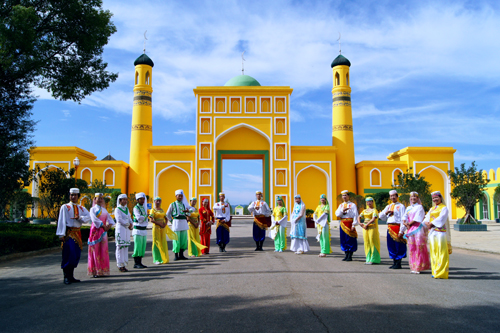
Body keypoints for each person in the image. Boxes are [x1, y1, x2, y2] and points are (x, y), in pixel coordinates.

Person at [56, 188, 91, 284]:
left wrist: (80, 217)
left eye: (75, 195)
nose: (73, 197)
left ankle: (71, 276)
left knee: (76, 254)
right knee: (68, 254)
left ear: (78, 196)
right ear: (69, 195)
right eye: (72, 195)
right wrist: (61, 234)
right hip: (69, 233)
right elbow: (61, 221)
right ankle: (66, 276)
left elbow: (88, 217)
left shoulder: (81, 208)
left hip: (77, 233)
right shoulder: (65, 207)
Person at [424, 191, 452, 279]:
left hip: (440, 233)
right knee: (433, 252)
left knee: (441, 252)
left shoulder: (444, 208)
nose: (435, 199)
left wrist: (431, 224)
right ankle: (435, 271)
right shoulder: (432, 209)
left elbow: (442, 218)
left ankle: (442, 272)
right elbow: (426, 217)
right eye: (433, 198)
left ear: (440, 198)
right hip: (432, 232)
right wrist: (427, 223)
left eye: (436, 197)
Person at [403, 192, 431, 274]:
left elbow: (417, 218)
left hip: (418, 229)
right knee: (412, 248)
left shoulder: (419, 207)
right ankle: (413, 266)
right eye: (411, 197)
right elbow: (404, 217)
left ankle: (419, 266)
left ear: (418, 198)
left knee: (419, 247)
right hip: (410, 229)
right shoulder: (408, 207)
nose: (413, 198)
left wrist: (409, 224)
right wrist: (405, 223)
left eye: (415, 196)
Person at [88, 193, 115, 277]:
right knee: (95, 250)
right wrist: (103, 225)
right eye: (98, 198)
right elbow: (94, 219)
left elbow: (110, 219)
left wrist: (109, 226)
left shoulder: (104, 210)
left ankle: (102, 270)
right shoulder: (92, 209)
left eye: (101, 198)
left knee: (103, 250)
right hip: (95, 231)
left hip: (103, 232)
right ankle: (95, 270)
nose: (99, 200)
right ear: (94, 199)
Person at [379, 190, 407, 269]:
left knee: (399, 245)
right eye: (391, 196)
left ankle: (399, 262)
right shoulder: (388, 206)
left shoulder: (401, 206)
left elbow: (403, 219)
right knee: (391, 245)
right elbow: (381, 216)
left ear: (397, 196)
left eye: (394, 195)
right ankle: (394, 261)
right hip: (390, 228)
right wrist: (386, 212)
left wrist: (402, 230)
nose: (393, 197)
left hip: (397, 227)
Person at [149, 197, 176, 265]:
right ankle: (156, 259)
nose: (158, 202)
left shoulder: (162, 210)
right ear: (154, 202)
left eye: (159, 201)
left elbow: (166, 217)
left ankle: (162, 258)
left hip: (162, 229)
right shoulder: (153, 210)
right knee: (156, 243)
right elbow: (151, 220)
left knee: (162, 242)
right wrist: (160, 224)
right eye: (156, 201)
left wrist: (165, 224)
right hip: (156, 228)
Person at [166, 189, 191, 261]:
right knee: (176, 239)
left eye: (181, 196)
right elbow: (168, 214)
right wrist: (172, 221)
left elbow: (188, 214)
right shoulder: (172, 204)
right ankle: (176, 255)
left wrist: (188, 212)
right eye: (179, 196)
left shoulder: (184, 205)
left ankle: (182, 255)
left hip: (183, 222)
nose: (180, 197)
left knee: (183, 239)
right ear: (176, 196)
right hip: (176, 222)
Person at [335, 190, 359, 262]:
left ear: (348, 196)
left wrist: (354, 225)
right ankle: (346, 254)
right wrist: (342, 210)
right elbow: (337, 214)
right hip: (343, 223)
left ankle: (350, 255)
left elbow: (355, 215)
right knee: (344, 239)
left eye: (345, 195)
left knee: (350, 239)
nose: (344, 197)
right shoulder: (341, 205)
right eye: (343, 196)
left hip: (350, 223)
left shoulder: (352, 205)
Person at [358, 197, 381, 265]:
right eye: (368, 202)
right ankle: (368, 258)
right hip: (365, 228)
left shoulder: (374, 210)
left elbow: (374, 218)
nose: (369, 203)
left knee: (372, 241)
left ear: (373, 202)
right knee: (367, 242)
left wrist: (367, 224)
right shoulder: (364, 210)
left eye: (370, 201)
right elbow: (359, 216)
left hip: (372, 227)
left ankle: (374, 259)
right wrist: (360, 223)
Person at [114, 194, 133, 272]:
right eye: (123, 199)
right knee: (120, 246)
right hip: (120, 229)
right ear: (120, 200)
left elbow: (129, 218)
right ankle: (119, 264)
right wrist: (128, 224)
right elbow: (119, 219)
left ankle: (124, 264)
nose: (125, 201)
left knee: (125, 246)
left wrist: (131, 224)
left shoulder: (127, 209)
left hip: (126, 230)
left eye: (126, 199)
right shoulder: (117, 209)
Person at [132, 192, 148, 269]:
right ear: (137, 200)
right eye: (140, 199)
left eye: (143, 199)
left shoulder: (143, 208)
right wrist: (145, 216)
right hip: (137, 230)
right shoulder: (136, 208)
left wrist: (144, 217)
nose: (142, 200)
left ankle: (140, 262)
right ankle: (136, 263)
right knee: (137, 247)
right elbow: (139, 218)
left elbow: (142, 219)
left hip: (143, 229)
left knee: (142, 247)